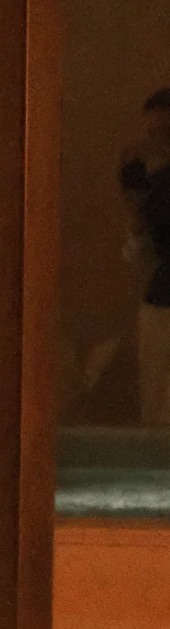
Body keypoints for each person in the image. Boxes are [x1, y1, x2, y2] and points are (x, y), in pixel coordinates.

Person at [119, 88, 170, 422]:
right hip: (161, 300)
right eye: (154, 132)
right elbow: (139, 250)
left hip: (161, 301)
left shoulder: (158, 186)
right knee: (157, 403)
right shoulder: (155, 185)